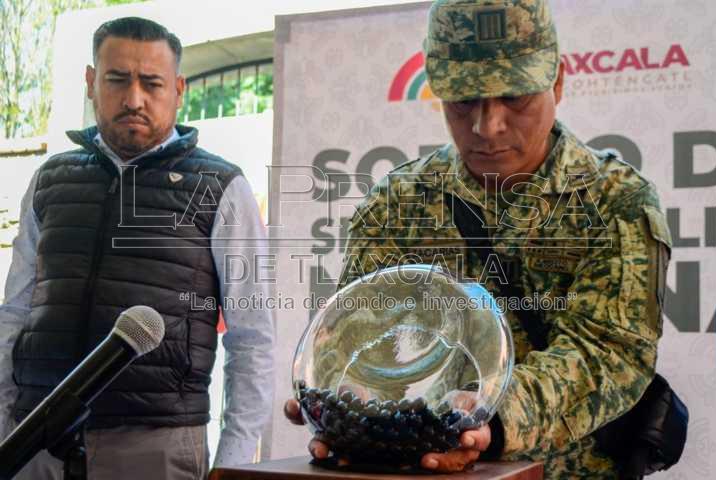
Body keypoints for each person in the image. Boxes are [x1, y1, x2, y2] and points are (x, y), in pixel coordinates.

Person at [284, 0, 672, 478]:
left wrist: (491, 419)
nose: (487, 127)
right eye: (463, 100)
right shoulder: (397, 203)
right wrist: (343, 403)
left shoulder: (616, 201)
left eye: (515, 97)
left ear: (557, 82)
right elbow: (357, 337)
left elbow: (608, 352)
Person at [0, 17, 274, 479]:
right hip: (35, 440)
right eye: (117, 80)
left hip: (156, 447)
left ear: (179, 89)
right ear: (91, 82)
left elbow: (252, 338)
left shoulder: (221, 186)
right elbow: (15, 312)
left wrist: (232, 466)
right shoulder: (50, 179)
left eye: (151, 83)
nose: (133, 99)